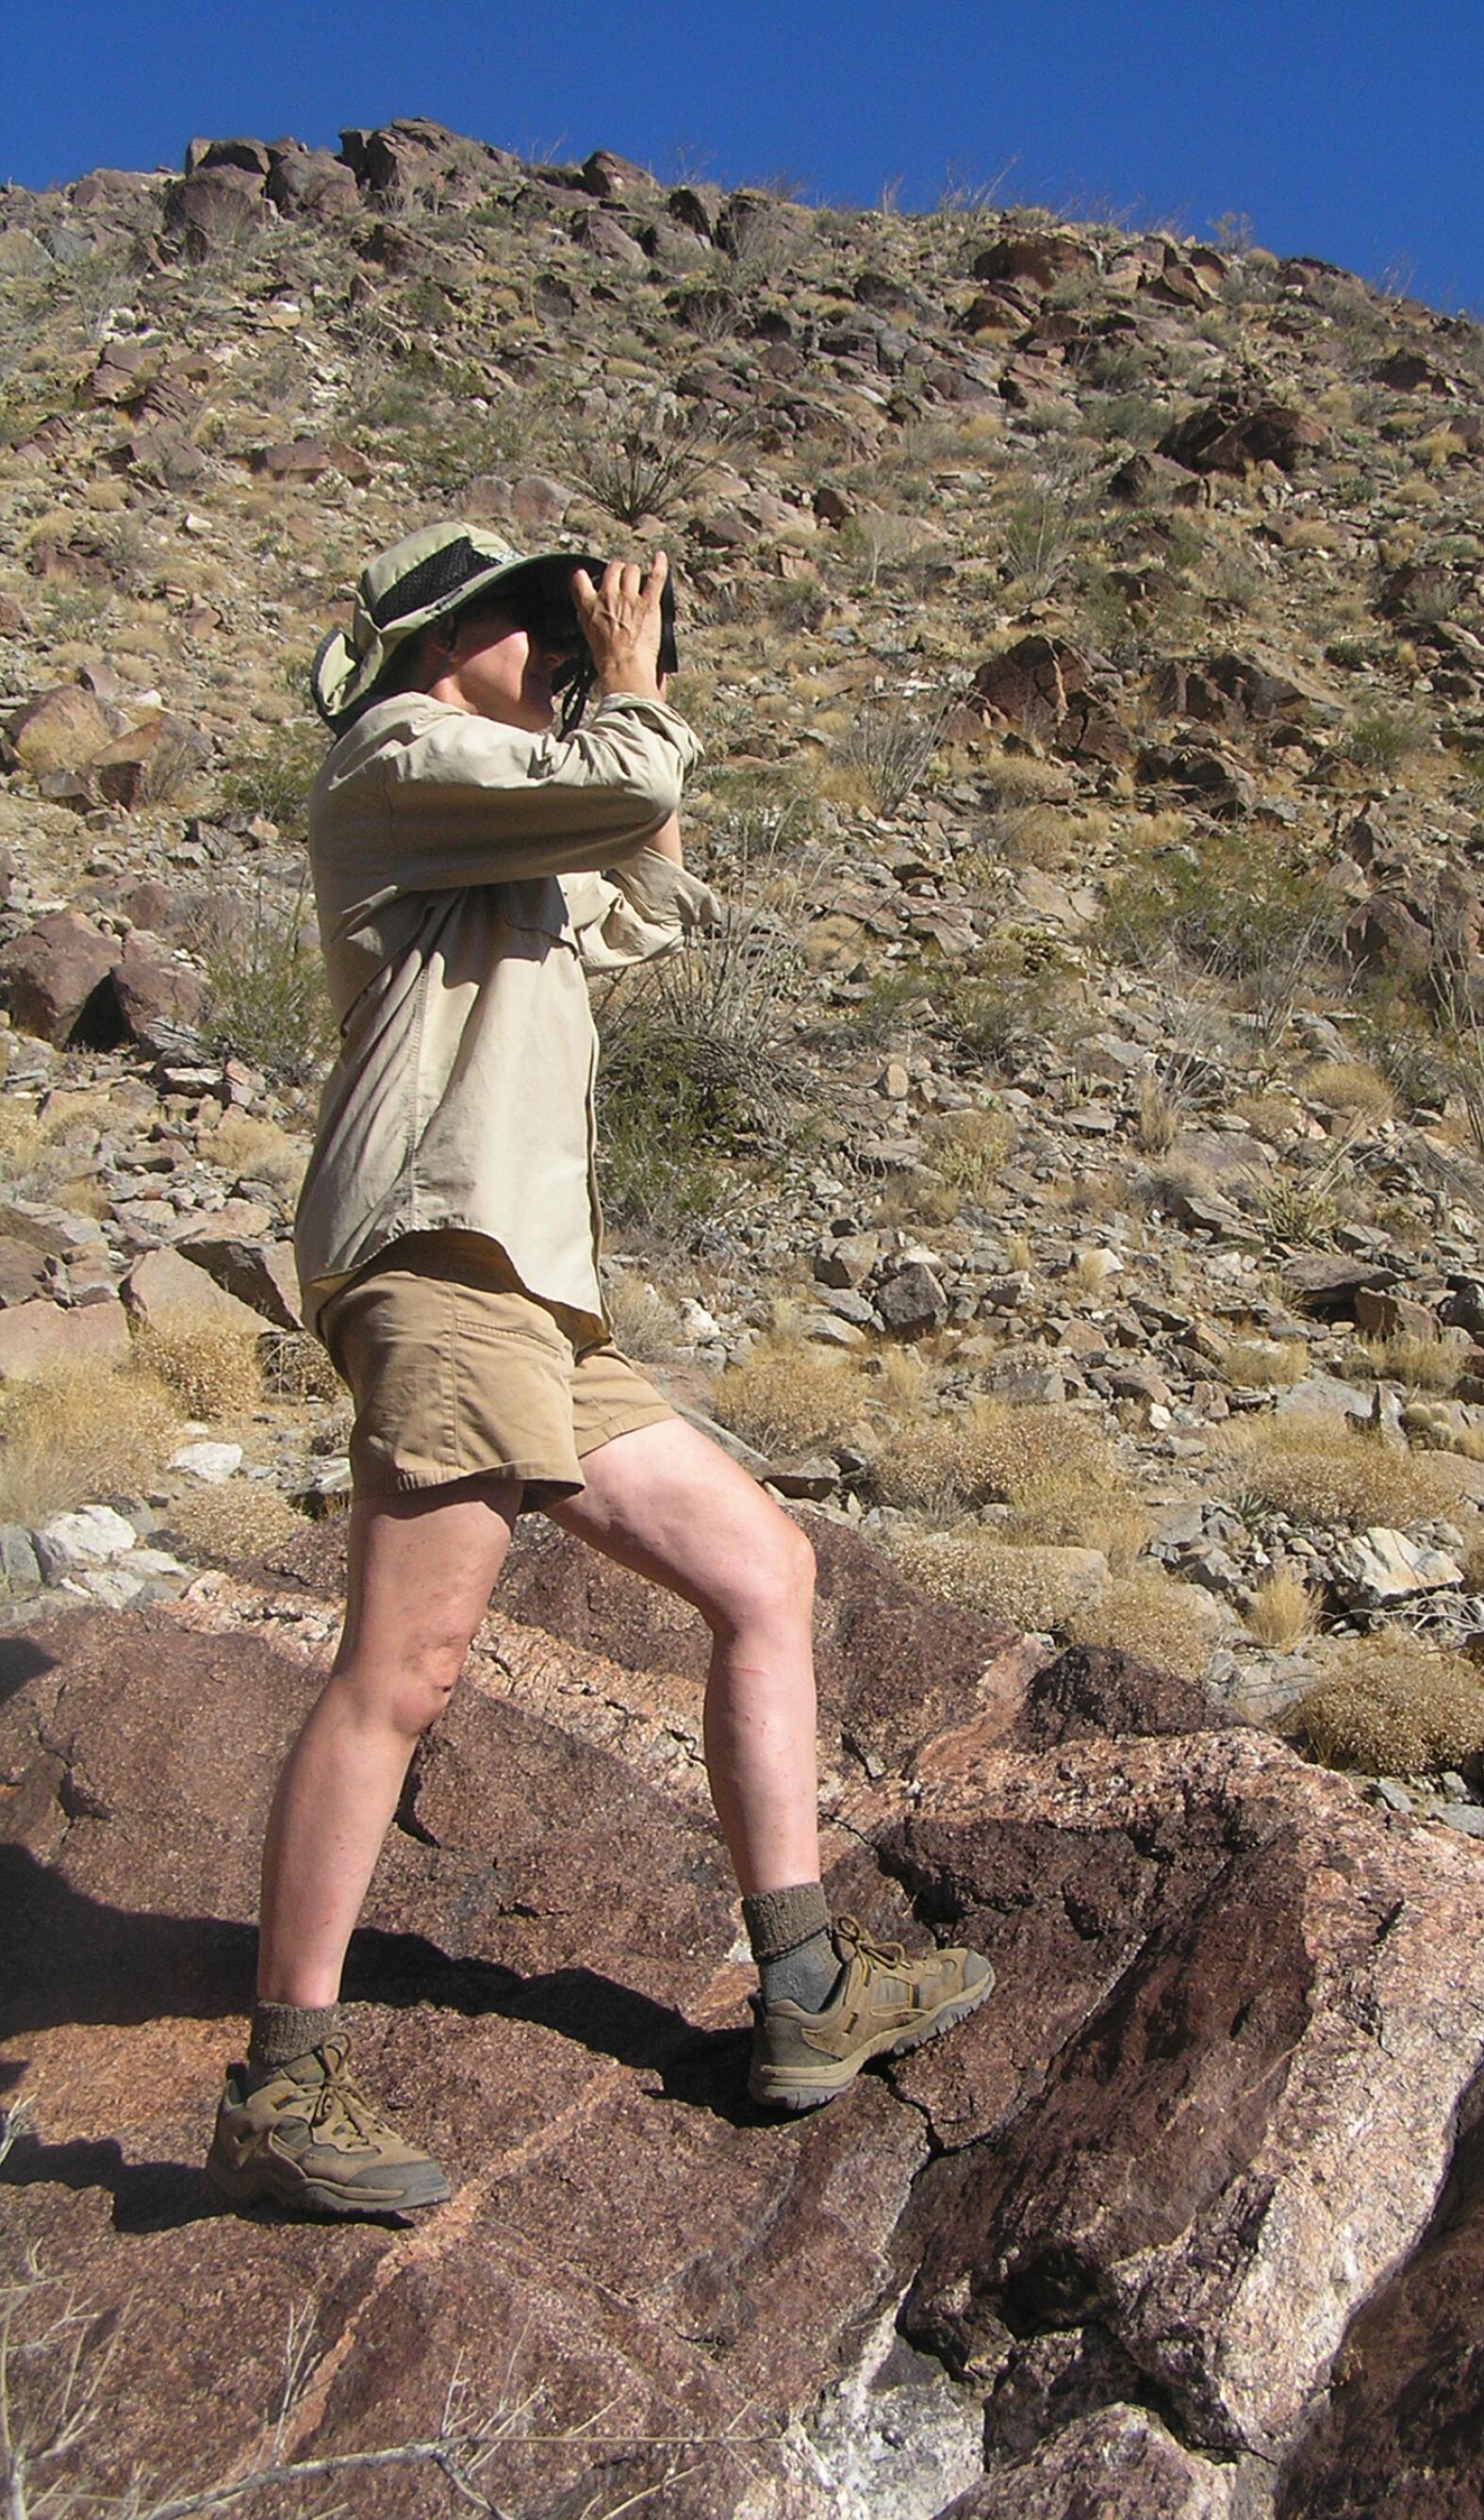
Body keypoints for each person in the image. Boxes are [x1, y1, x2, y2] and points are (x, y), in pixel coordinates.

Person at [206, 522, 992, 2216]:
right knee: (403, 1665)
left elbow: (644, 893)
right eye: (532, 620)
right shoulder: (398, 756)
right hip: (443, 1259)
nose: (561, 646)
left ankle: (804, 1989)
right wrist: (624, 697)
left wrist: (630, 713)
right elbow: (621, 790)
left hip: (542, 1301)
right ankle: (280, 2080)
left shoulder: (516, 823)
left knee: (763, 1569)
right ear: (436, 633)